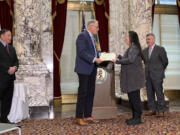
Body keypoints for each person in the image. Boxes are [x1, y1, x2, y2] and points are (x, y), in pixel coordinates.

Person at [113, 31, 145, 125]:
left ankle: (138, 118)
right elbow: (129, 59)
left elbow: (130, 60)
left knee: (135, 98)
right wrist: (119, 57)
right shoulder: (132, 48)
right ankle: (135, 117)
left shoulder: (134, 48)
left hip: (134, 78)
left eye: (127, 37)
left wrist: (117, 61)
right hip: (132, 78)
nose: (126, 38)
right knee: (132, 98)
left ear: (131, 38)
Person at [74, 20, 102, 126]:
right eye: (97, 27)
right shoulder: (82, 36)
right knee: (83, 93)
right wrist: (94, 59)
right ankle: (79, 117)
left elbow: (94, 53)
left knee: (90, 92)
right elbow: (81, 52)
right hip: (83, 69)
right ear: (90, 27)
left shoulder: (92, 38)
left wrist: (103, 56)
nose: (98, 29)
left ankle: (87, 115)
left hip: (92, 68)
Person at [142, 33, 168, 117]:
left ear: (153, 40)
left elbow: (165, 62)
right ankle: (152, 110)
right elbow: (145, 62)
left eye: (149, 39)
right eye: (147, 39)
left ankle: (161, 111)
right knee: (149, 93)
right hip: (148, 76)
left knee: (159, 93)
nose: (147, 41)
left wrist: (159, 71)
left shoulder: (160, 49)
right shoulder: (144, 51)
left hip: (157, 75)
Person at [0, 29, 19, 123]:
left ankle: (3, 119)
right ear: (2, 36)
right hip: (1, 78)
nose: (10, 38)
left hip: (10, 79)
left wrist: (15, 67)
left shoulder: (12, 48)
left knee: (7, 101)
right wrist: (8, 69)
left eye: (10, 36)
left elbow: (16, 61)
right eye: (8, 35)